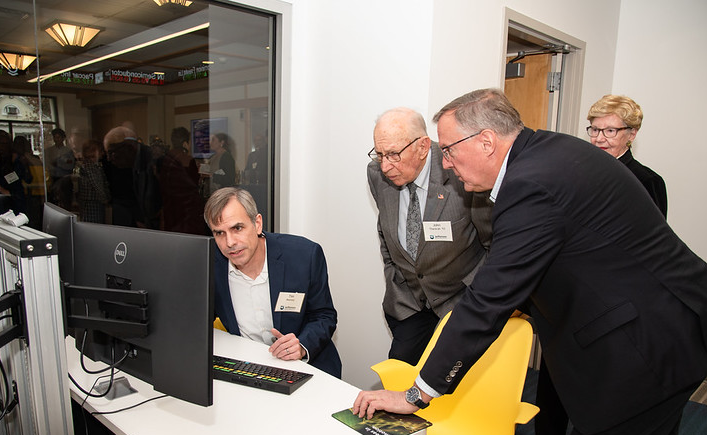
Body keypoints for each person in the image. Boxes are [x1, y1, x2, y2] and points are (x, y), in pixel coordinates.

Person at [353, 88, 707, 435]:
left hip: (646, 350)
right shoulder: (549, 151)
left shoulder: (529, 183)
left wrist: (416, 394)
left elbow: (489, 299)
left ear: (486, 141)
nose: (446, 163)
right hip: (677, 326)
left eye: (450, 151)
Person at [519, 94, 670, 435]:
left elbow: (648, 247)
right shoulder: (573, 171)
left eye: (610, 130)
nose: (600, 137)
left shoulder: (647, 181)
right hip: (568, 293)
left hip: (614, 297)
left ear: (631, 134)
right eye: (594, 129)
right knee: (556, 369)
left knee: (603, 379)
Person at [367, 107, 487, 365]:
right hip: (409, 304)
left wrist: (478, 298)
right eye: (379, 155)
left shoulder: (458, 172)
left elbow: (492, 242)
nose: (386, 166)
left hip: (459, 302)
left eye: (393, 155)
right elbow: (385, 228)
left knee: (452, 387)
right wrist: (394, 273)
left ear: (422, 147)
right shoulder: (376, 173)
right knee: (399, 380)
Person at [204, 187, 341, 378]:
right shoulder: (211, 266)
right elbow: (196, 320)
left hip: (308, 368)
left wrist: (302, 346)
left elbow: (324, 315)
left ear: (257, 223)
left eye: (237, 228)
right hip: (247, 370)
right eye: (219, 233)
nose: (229, 242)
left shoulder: (304, 255)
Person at [102, 125, 161, 229]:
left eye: (111, 153)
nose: (109, 159)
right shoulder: (136, 164)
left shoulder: (155, 162)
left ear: (129, 147)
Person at [156, 127, 205, 235]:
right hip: (185, 214)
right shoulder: (187, 161)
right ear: (185, 143)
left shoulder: (165, 159)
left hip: (169, 209)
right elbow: (193, 186)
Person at [0, 130, 28, 215]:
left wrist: (2, 190)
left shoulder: (14, 162)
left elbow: (17, 191)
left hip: (12, 209)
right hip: (1, 205)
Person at [75, 140, 111, 223]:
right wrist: (105, 199)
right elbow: (96, 184)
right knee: (94, 224)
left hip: (91, 201)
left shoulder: (91, 165)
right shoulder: (90, 167)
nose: (102, 153)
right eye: (100, 151)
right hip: (92, 202)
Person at [45, 128, 76, 209]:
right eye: (55, 137)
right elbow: (47, 164)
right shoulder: (49, 151)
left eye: (58, 137)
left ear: (63, 138)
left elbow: (70, 165)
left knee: (66, 202)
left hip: (65, 179)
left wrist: (58, 163)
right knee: (54, 203)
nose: (56, 139)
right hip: (53, 179)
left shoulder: (68, 151)